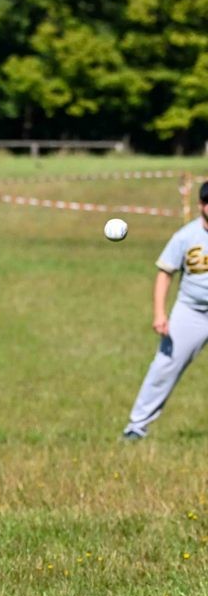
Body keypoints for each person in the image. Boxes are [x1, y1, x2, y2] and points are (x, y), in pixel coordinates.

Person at [122, 181, 208, 439]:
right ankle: (136, 427)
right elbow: (165, 273)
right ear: (201, 205)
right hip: (191, 312)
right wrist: (160, 313)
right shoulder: (185, 236)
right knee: (164, 367)